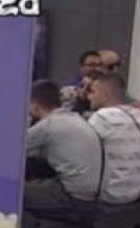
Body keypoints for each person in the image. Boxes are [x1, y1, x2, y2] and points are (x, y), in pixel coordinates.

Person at [24, 80, 102, 215]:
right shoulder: (74, 117)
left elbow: (13, 151)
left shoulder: (46, 126)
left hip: (74, 199)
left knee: (11, 192)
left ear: (35, 105)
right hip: (90, 193)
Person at [86, 72, 140, 205]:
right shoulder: (138, 114)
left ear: (105, 94)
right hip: (139, 192)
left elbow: (82, 156)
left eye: (92, 92)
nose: (89, 97)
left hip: (110, 194)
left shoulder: (101, 117)